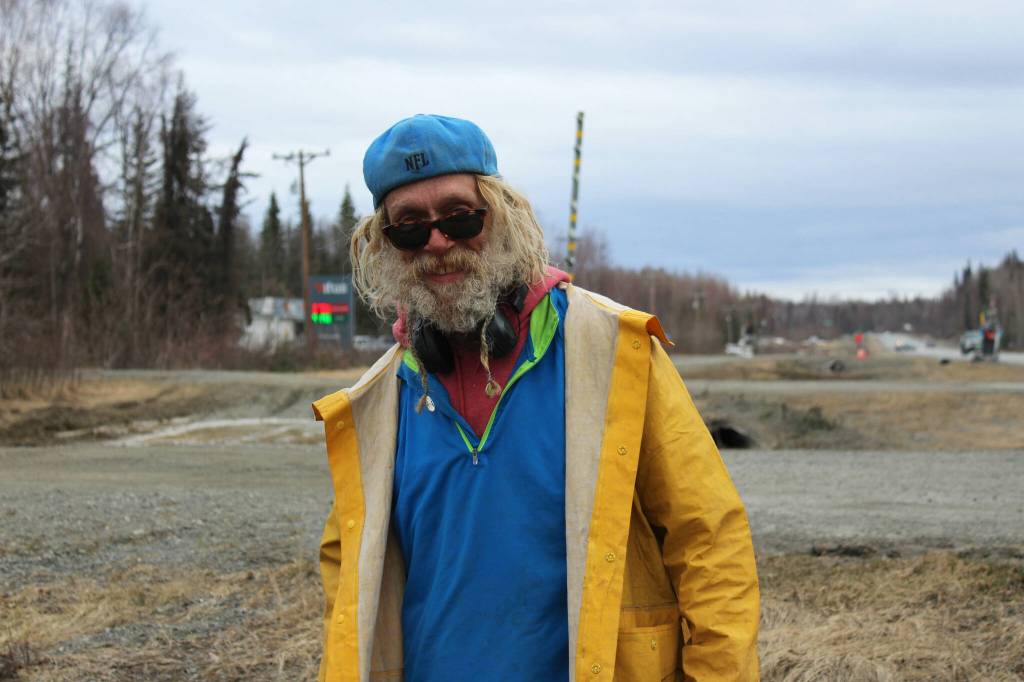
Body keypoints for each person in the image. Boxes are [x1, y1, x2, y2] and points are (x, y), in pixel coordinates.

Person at [313, 114, 759, 682]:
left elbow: (709, 541)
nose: (438, 242)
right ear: (388, 246)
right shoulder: (378, 403)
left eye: (459, 217)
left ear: (500, 216)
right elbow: (349, 584)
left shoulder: (615, 352)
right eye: (409, 227)